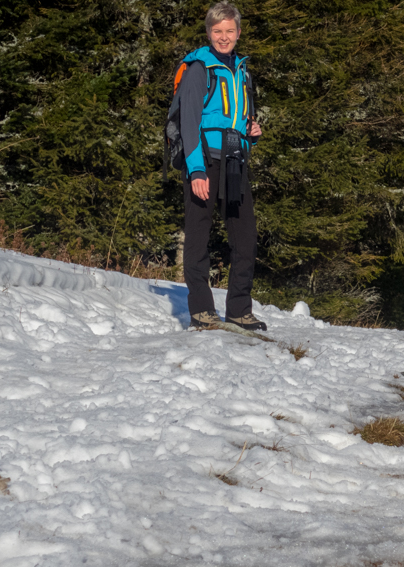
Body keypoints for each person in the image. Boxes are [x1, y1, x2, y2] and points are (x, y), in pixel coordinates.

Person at [177, 2, 265, 331]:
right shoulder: (200, 68)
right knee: (199, 236)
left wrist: (251, 133)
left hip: (234, 159)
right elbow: (189, 124)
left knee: (245, 237)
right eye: (217, 31)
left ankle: (239, 310)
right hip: (204, 160)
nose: (224, 37)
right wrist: (196, 170)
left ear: (238, 33)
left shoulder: (241, 71)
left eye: (230, 31)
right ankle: (201, 310)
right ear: (209, 33)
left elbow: (237, 118)